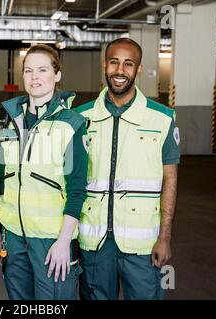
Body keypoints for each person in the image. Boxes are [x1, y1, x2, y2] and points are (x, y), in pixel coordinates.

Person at [74, 38, 180, 300]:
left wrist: (164, 236)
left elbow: (170, 179)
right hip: (94, 241)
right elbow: (71, 181)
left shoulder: (162, 118)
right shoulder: (80, 118)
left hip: (143, 245)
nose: (120, 70)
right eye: (114, 62)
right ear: (104, 65)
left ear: (139, 69)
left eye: (128, 64)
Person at [0, 44, 87, 300]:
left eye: (43, 70)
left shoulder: (71, 124)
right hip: (13, 238)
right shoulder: (7, 120)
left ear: (57, 75)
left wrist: (63, 242)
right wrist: (2, 230)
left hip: (51, 241)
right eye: (29, 71)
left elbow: (77, 189)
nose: (35, 77)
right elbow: (0, 179)